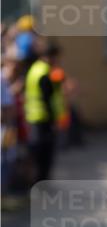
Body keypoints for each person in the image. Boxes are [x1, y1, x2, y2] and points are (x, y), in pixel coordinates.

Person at [23, 39, 63, 183]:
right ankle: (41, 182)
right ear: (51, 56)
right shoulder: (45, 72)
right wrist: (54, 120)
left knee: (37, 152)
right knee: (44, 154)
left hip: (33, 116)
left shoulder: (35, 69)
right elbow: (48, 98)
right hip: (44, 118)